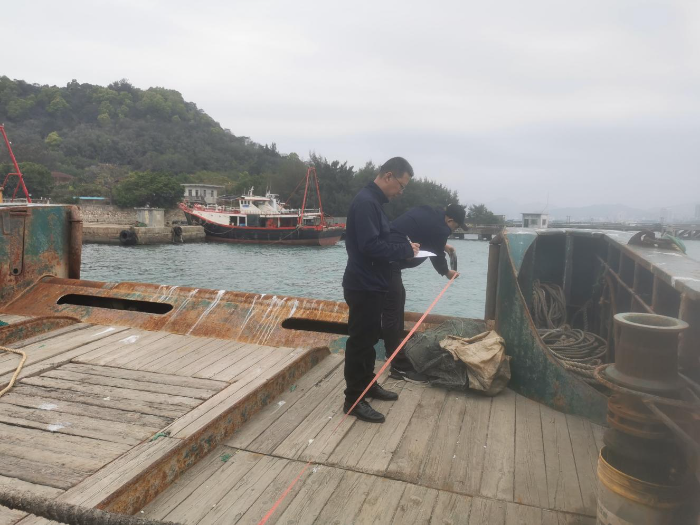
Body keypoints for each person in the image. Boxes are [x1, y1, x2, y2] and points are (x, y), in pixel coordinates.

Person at [342, 157, 420, 423]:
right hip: (362, 284)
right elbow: (370, 246)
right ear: (388, 176)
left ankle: (367, 385)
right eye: (401, 185)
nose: (401, 192)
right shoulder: (366, 202)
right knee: (360, 342)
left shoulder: (374, 202)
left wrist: (406, 248)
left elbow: (380, 241)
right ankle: (353, 399)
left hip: (373, 283)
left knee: (370, 339)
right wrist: (404, 249)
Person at [382, 203, 467, 382]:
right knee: (392, 310)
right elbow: (437, 256)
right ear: (450, 220)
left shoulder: (431, 213)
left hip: (386, 253)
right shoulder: (442, 228)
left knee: (398, 301)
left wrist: (443, 245)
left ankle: (394, 352)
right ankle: (397, 365)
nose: (453, 230)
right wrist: (446, 272)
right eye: (455, 227)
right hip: (388, 260)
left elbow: (421, 232)